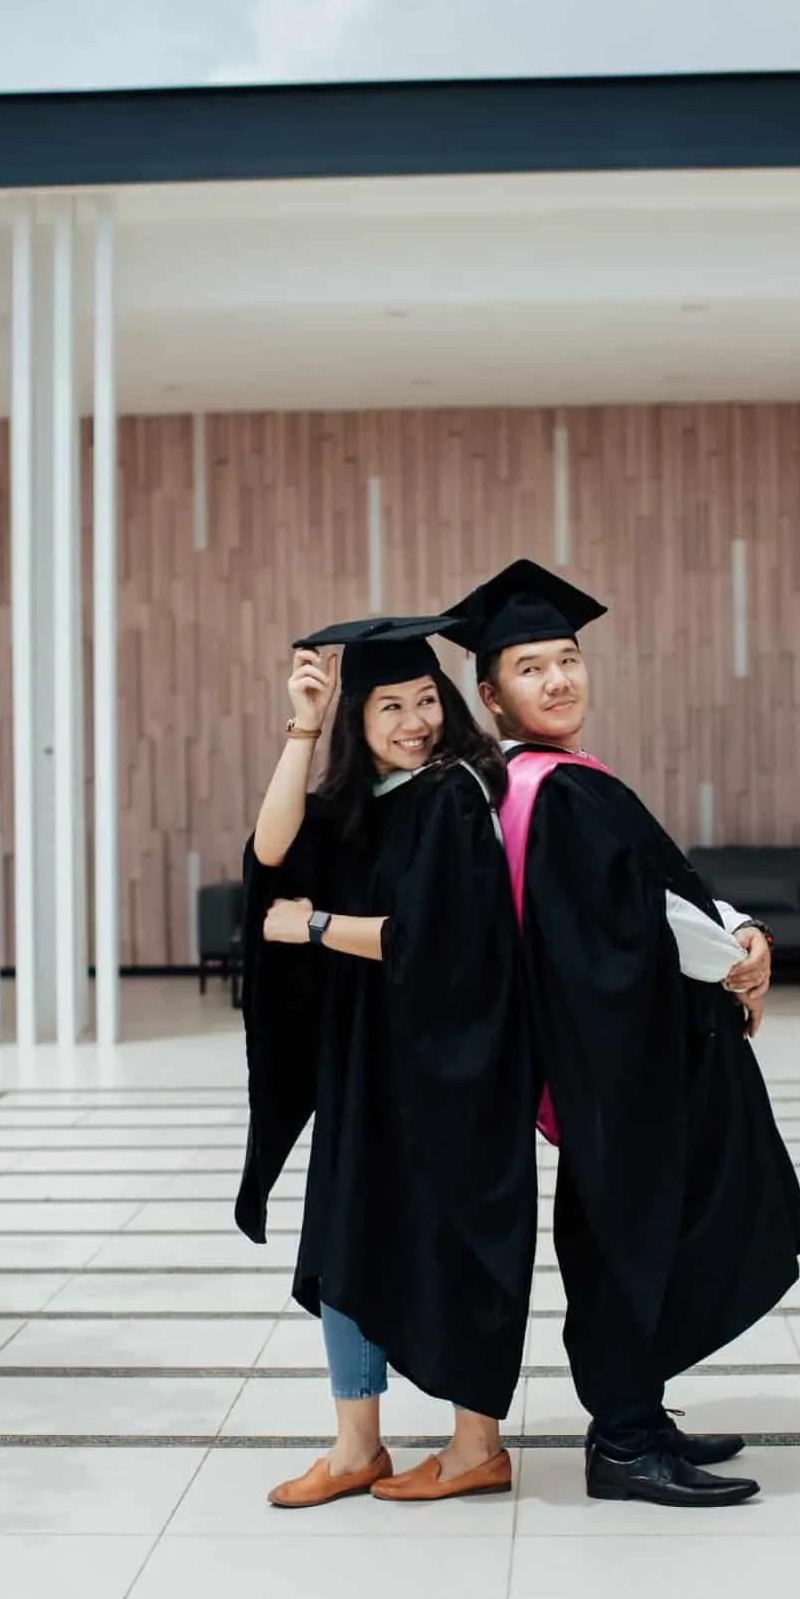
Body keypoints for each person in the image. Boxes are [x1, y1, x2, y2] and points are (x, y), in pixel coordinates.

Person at [442, 560, 800, 1508]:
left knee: (645, 1227)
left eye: (567, 659)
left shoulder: (552, 782)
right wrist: (728, 956)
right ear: (490, 694)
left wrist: (741, 933)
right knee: (626, 1233)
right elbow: (616, 935)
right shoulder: (550, 790)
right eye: (531, 669)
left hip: (624, 1052)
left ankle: (640, 1412)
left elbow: (658, 891)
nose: (558, 680)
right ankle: (622, 1438)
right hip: (620, 1057)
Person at [235, 614, 538, 1507]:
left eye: (426, 702)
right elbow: (272, 851)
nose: (415, 721)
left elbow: (444, 942)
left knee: (459, 1238)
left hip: (457, 1061)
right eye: (391, 707)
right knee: (343, 1235)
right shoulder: (362, 808)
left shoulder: (453, 794)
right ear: (358, 722)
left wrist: (316, 925)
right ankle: (355, 1444)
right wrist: (302, 724)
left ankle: (477, 1442)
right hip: (370, 1062)